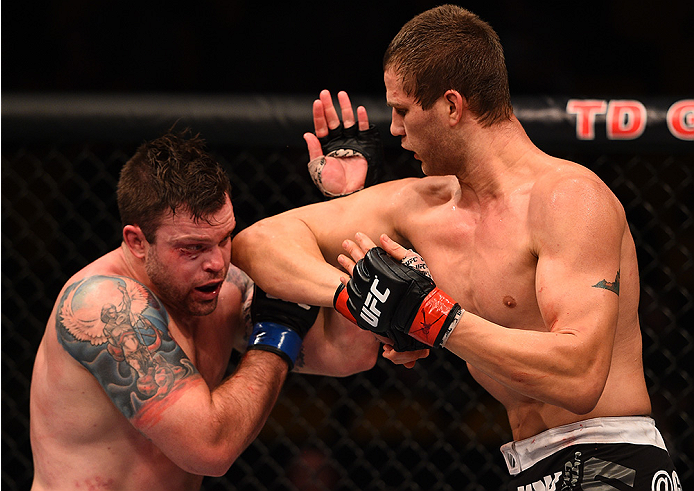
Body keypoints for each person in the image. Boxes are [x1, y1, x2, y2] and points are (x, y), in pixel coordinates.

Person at [231, 5, 681, 490]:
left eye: (402, 110)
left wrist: (431, 315)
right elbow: (258, 244)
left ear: (451, 105)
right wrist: (364, 299)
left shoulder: (568, 198)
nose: (396, 130)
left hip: (610, 460)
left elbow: (580, 377)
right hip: (527, 465)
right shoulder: (421, 206)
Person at [28, 128, 385, 491]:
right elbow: (209, 450)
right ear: (137, 241)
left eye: (224, 238)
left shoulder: (224, 290)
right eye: (191, 248)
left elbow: (349, 353)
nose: (217, 262)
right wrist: (277, 334)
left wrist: (351, 203)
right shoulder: (105, 306)